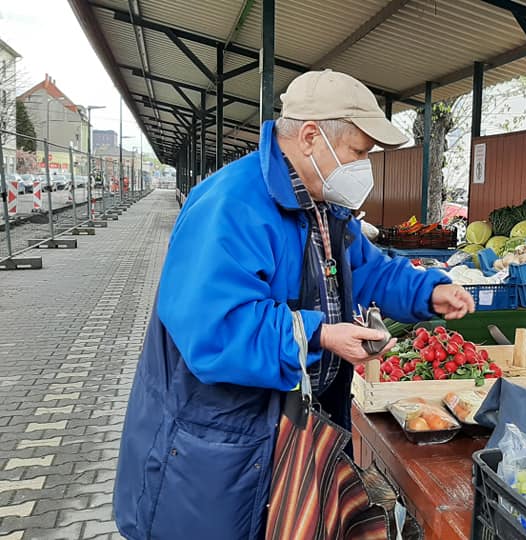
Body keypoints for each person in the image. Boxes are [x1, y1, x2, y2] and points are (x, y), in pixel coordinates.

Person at [114, 70, 476, 539]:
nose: (363, 167)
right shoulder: (231, 204)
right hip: (217, 444)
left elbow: (365, 269)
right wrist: (318, 335)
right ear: (310, 137)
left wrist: (427, 291)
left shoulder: (323, 206)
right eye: (359, 152)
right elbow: (216, 327)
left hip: (279, 430)